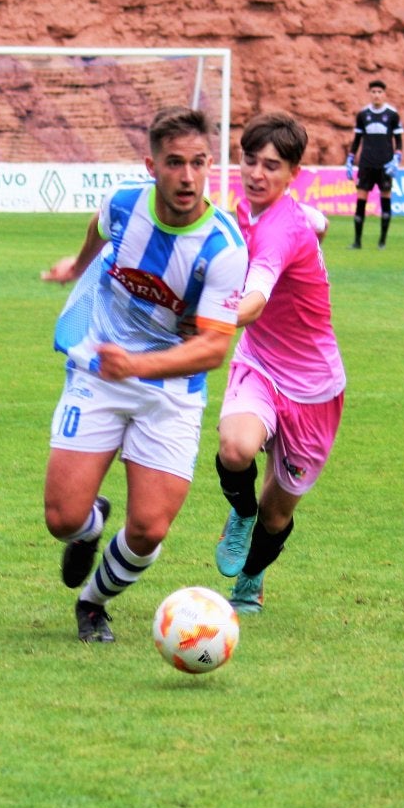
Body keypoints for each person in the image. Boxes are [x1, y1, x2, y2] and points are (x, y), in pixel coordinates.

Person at [40, 106, 248, 643]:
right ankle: (87, 530)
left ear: (210, 165)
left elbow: (211, 350)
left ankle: (92, 604)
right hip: (99, 373)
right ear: (150, 165)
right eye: (174, 162)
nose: (187, 176)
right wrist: (80, 264)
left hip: (172, 392)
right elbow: (97, 226)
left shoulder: (223, 248)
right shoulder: (123, 203)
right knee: (62, 519)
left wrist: (139, 364)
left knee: (149, 528)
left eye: (199, 163)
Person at [213, 112, 346, 614]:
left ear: (293, 173)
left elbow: (256, 300)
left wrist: (208, 321)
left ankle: (251, 577)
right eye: (250, 161)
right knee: (236, 448)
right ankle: (239, 513)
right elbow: (318, 221)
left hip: (315, 388)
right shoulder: (253, 212)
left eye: (272, 166)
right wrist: (316, 226)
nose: (256, 174)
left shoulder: (278, 231)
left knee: (278, 513)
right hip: (260, 364)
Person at [345, 79, 403, 250]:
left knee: (385, 200)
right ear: (369, 93)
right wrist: (350, 158)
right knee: (360, 200)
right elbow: (357, 140)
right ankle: (357, 241)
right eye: (373, 92)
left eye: (379, 92)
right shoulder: (363, 115)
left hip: (385, 165)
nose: (376, 95)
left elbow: (399, 141)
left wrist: (397, 158)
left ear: (384, 94)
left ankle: (382, 241)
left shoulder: (392, 115)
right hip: (367, 164)